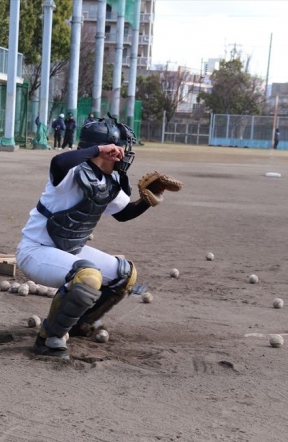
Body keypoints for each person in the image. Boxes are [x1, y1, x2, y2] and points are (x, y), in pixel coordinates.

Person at [16, 117, 183, 359]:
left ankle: (79, 323)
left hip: (70, 250)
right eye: (122, 147)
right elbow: (58, 161)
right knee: (89, 276)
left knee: (125, 274)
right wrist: (97, 150)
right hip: (37, 252)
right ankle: (49, 338)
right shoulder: (71, 172)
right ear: (108, 150)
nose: (126, 153)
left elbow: (123, 214)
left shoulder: (111, 181)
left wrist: (148, 200)